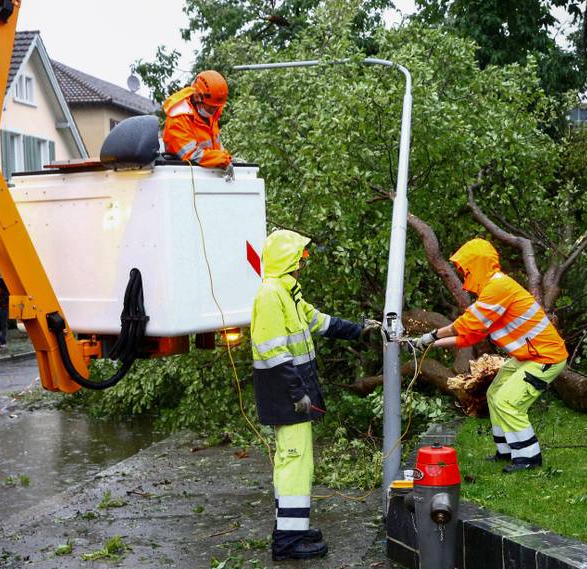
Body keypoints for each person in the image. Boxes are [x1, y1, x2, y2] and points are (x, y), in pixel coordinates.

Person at [251, 229, 376, 561]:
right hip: (286, 394)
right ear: (288, 260)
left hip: (292, 391)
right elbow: (273, 352)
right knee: (294, 462)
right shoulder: (271, 295)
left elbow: (320, 322)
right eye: (300, 258)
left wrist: (360, 330)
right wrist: (297, 393)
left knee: (295, 462)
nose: (303, 264)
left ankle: (293, 528)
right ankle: (287, 542)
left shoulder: (288, 293)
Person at [415, 238, 568, 473]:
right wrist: (428, 344)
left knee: (508, 401)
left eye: (466, 269)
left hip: (545, 357)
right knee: (494, 394)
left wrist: (432, 336)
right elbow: (471, 334)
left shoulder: (498, 288)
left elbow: (465, 324)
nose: (464, 275)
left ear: (477, 264)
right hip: (529, 356)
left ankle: (529, 458)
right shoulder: (492, 291)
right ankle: (506, 450)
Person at [162, 70, 235, 180]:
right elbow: (192, 154)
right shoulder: (178, 119)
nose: (213, 111)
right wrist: (223, 159)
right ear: (197, 97)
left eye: (216, 107)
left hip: (208, 177)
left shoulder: (209, 113)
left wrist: (229, 159)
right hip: (183, 178)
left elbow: (216, 150)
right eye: (210, 107)